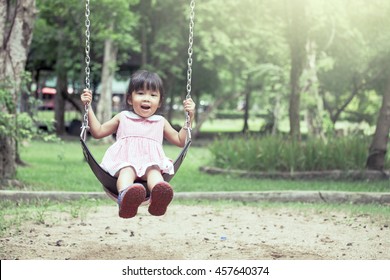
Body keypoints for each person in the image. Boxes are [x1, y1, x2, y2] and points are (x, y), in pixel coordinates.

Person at [81, 70, 195, 219]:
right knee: (127, 170)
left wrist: (190, 117)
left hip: (149, 165)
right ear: (129, 99)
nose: (146, 99)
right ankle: (126, 198)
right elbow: (98, 131)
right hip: (125, 162)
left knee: (154, 172)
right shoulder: (123, 117)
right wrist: (87, 107)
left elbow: (180, 141)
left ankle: (159, 197)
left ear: (159, 102)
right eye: (141, 93)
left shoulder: (160, 122)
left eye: (153, 95)